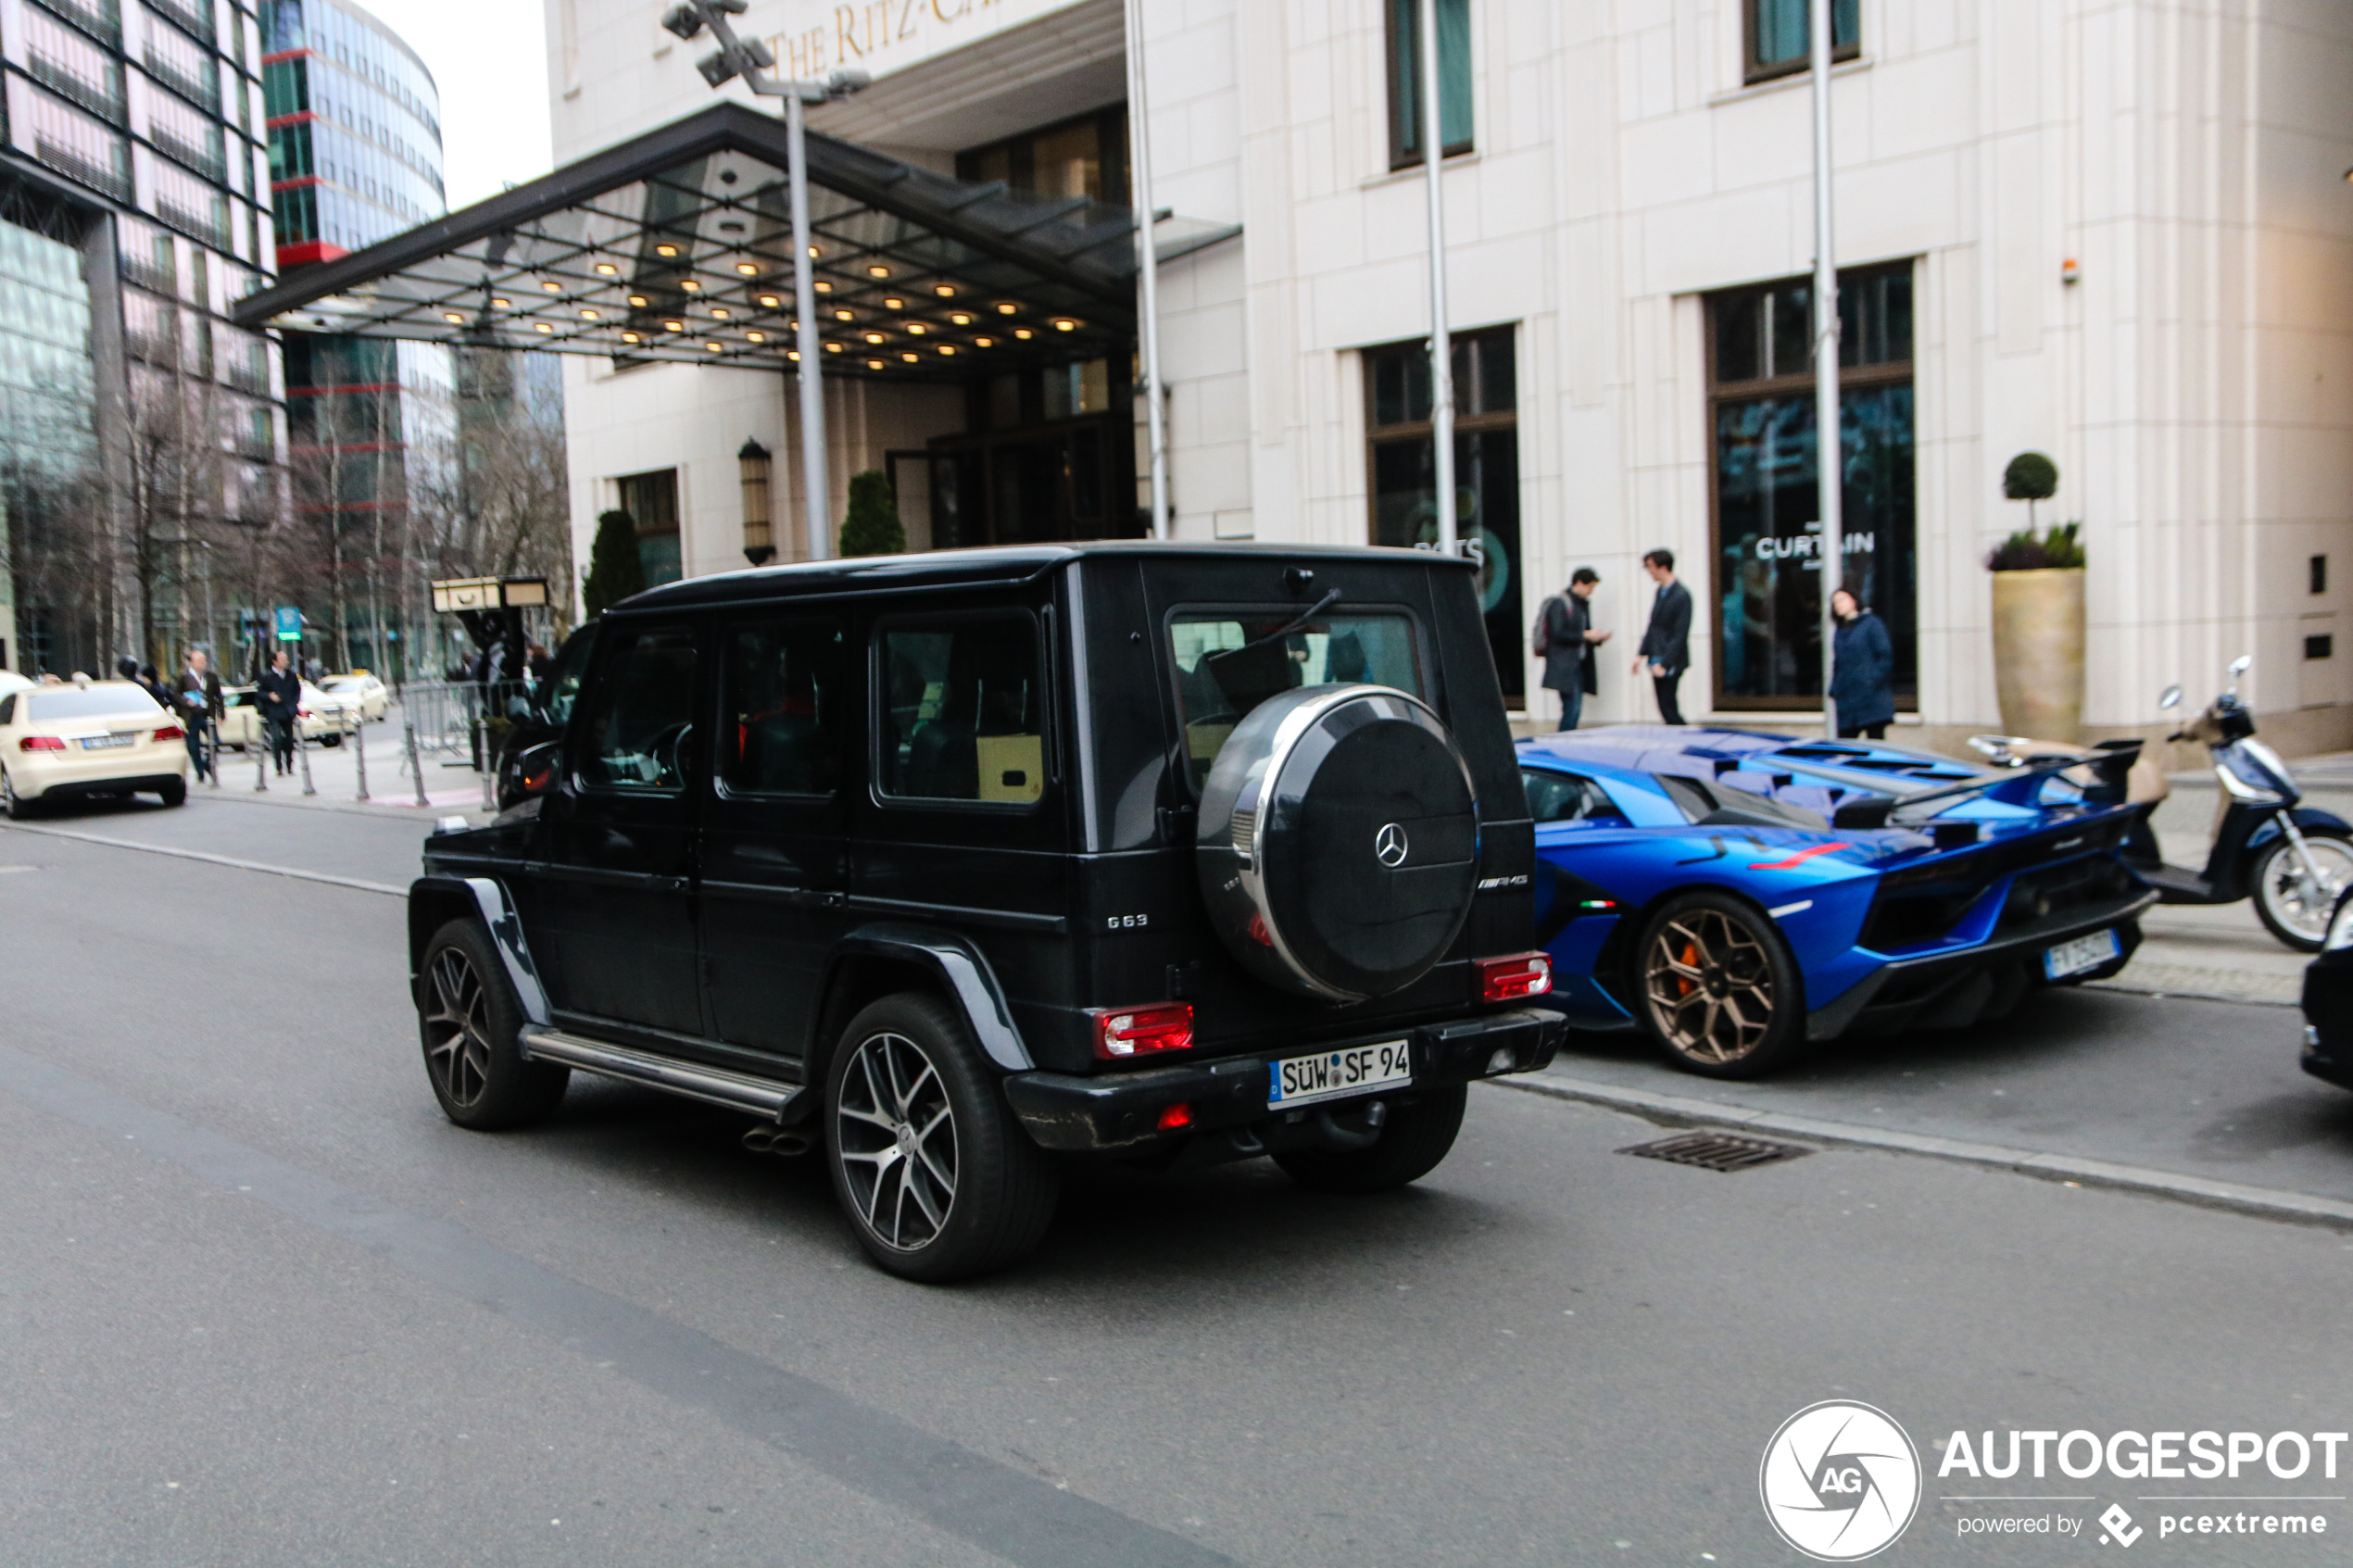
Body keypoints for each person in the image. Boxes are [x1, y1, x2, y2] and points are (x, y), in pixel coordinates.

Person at [1535, 568, 1611, 730]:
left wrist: (1596, 639)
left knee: (1574, 707)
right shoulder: (1561, 603)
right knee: (1572, 707)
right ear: (1579, 583)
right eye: (1590, 587)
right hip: (1564, 666)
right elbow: (1557, 633)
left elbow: (1581, 634)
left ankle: (1565, 739)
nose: (1591, 592)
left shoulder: (1581, 605)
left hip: (1577, 665)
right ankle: (1563, 740)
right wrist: (1585, 635)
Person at [1631, 548, 1693, 725]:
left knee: (1668, 707)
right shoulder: (1661, 591)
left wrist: (1665, 663)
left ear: (1663, 567)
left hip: (1670, 659)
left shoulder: (1682, 595)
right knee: (1665, 707)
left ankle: (1684, 738)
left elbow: (1680, 634)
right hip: (1656, 655)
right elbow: (1653, 625)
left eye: (1650, 566)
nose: (1648, 570)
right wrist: (1640, 654)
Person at [1829, 586, 1895, 740]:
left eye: (1842, 600)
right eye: (1835, 603)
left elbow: (1885, 656)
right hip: (1847, 700)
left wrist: (1870, 680)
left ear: (1854, 600)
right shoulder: (1841, 630)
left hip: (1871, 698)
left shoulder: (1872, 624)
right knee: (1846, 746)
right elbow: (1838, 663)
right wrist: (1835, 688)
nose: (1838, 605)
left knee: (1875, 747)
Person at [170, 648, 223, 782]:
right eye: (200, 661)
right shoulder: (184, 677)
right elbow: (176, 695)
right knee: (194, 747)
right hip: (192, 716)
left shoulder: (211, 677)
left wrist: (221, 713)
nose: (203, 663)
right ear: (192, 663)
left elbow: (218, 696)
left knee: (215, 742)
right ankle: (200, 772)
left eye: (204, 660)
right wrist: (186, 701)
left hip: (207, 715)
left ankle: (207, 764)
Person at [258, 647, 302, 776]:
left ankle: (289, 764)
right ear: (275, 662)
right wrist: (269, 696)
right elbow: (260, 693)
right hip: (274, 712)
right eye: (282, 659)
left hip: (288, 711)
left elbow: (297, 691)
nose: (286, 661)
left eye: (286, 658)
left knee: (289, 740)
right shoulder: (267, 677)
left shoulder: (291, 675)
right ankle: (278, 765)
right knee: (276, 739)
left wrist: (294, 704)